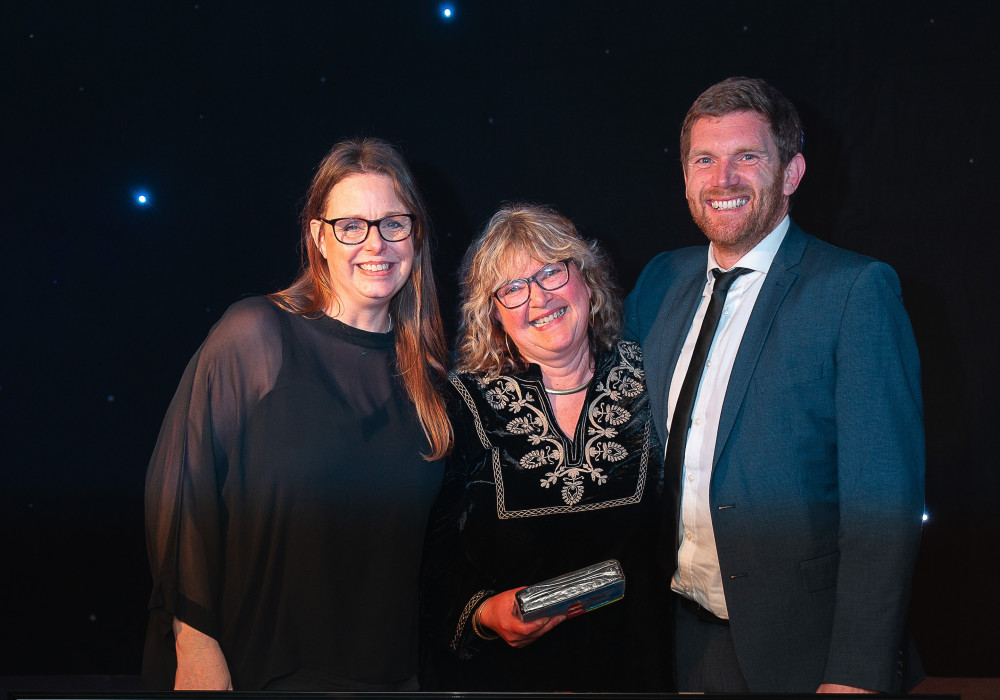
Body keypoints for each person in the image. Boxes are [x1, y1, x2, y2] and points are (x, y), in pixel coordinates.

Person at [625, 76, 925, 694]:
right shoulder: (660, 281)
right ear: (685, 177)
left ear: (791, 173)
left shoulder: (854, 293)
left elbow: (883, 505)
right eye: (705, 159)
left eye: (748, 157)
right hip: (672, 634)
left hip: (803, 652)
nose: (723, 178)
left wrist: (856, 674)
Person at [143, 137, 452, 691]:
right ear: (318, 236)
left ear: (416, 234)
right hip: (260, 670)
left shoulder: (430, 378)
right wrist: (194, 644)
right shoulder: (258, 334)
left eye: (393, 224)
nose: (375, 243)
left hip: (389, 678)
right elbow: (180, 490)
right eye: (351, 225)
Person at [421, 203, 671, 692]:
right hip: (509, 678)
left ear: (587, 278)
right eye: (512, 289)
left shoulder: (654, 375)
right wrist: (485, 613)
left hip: (640, 669)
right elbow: (432, 555)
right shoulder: (461, 404)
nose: (538, 298)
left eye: (551, 272)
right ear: (492, 315)